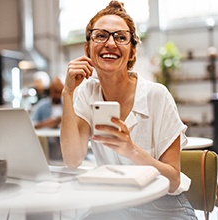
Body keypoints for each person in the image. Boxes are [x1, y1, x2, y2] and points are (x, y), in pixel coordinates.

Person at [60, 1, 197, 219]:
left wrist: (131, 149)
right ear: (88, 49)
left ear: (132, 52)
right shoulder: (86, 92)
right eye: (101, 35)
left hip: (163, 205)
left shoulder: (156, 95)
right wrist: (67, 92)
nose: (110, 43)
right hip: (113, 204)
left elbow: (173, 180)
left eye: (121, 37)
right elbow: (72, 159)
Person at [31, 77, 64, 160]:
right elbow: (30, 124)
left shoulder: (68, 105)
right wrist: (46, 123)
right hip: (47, 144)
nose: (58, 95)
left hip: (64, 142)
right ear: (51, 91)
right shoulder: (41, 106)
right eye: (55, 91)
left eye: (60, 92)